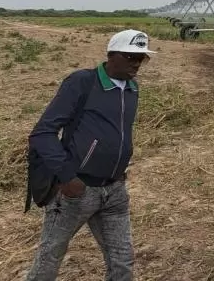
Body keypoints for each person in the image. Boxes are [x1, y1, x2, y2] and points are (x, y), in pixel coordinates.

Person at [25, 29, 157, 281]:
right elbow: (42, 133)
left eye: (142, 58)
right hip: (77, 191)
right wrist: (67, 176)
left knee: (122, 261)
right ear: (111, 55)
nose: (137, 63)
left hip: (115, 191)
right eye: (131, 57)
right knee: (49, 259)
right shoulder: (82, 82)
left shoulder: (132, 89)